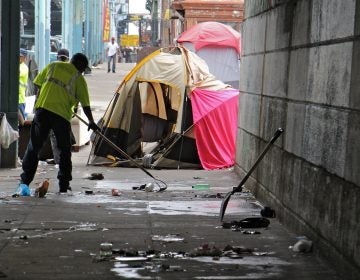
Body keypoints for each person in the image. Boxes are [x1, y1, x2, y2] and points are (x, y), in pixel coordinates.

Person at [16, 53, 99, 196]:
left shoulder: (52, 66)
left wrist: (40, 99)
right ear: (79, 66)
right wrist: (91, 121)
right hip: (60, 116)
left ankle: (24, 183)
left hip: (42, 111)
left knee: (34, 147)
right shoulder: (78, 78)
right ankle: (63, 185)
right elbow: (86, 104)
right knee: (64, 150)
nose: (83, 71)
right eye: (83, 69)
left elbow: (37, 83)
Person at [48, 48, 76, 166]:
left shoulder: (52, 68)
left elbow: (39, 85)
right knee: (63, 136)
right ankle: (61, 159)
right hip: (64, 111)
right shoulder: (73, 72)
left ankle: (60, 160)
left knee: (55, 136)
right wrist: (75, 108)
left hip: (53, 109)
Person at [19, 48, 29, 120]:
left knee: (22, 121)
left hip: (20, 99)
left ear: (25, 58)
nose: (19, 58)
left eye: (21, 56)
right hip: (14, 98)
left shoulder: (24, 67)